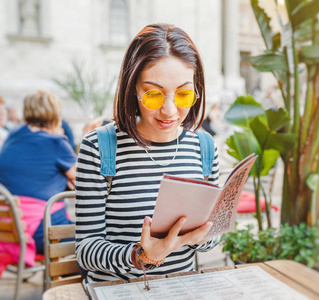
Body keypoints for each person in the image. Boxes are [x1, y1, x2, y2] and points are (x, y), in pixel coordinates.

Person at [75, 23, 220, 284]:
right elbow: (85, 249)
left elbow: (214, 237)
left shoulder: (204, 147)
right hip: (116, 291)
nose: (169, 111)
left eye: (183, 95)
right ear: (133, 89)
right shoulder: (99, 147)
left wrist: (203, 236)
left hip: (180, 289)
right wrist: (139, 256)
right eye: (154, 94)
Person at [0, 90, 77, 254]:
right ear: (56, 114)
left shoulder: (13, 136)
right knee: (88, 243)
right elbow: (83, 180)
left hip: (7, 228)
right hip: (40, 230)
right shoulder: (57, 143)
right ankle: (64, 276)